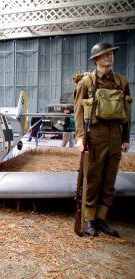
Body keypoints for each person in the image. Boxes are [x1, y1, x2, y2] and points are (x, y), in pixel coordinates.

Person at [74, 42, 131, 237]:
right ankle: (89, 220)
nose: (110, 57)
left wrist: (125, 136)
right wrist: (80, 137)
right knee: (93, 179)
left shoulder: (121, 82)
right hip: (96, 135)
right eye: (106, 54)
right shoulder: (86, 83)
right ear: (96, 59)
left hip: (115, 134)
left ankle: (102, 219)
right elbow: (78, 113)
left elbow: (127, 111)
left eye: (111, 54)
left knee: (109, 180)